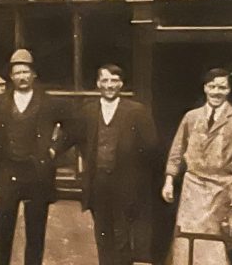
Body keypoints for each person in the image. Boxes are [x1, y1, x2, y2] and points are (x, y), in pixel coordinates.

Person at [51, 64, 158, 265]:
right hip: (97, 182)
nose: (109, 85)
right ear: (98, 83)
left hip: (125, 184)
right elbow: (69, 136)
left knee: (122, 236)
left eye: (114, 81)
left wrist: (137, 177)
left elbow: (151, 147)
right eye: (105, 81)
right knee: (102, 235)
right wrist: (51, 151)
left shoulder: (136, 111)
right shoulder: (88, 111)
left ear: (121, 84)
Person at [161, 68, 232, 265]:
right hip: (193, 188)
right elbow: (176, 152)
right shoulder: (191, 117)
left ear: (229, 90)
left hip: (224, 188)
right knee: (187, 239)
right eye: (212, 86)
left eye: (222, 87)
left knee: (215, 243)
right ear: (205, 88)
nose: (216, 92)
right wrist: (169, 181)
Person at [0, 49, 69, 265]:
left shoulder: (49, 103)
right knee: (3, 232)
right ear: (11, 76)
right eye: (17, 72)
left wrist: (54, 148)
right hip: (7, 173)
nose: (22, 76)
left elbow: (73, 127)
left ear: (34, 75)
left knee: (36, 234)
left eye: (26, 72)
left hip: (37, 175)